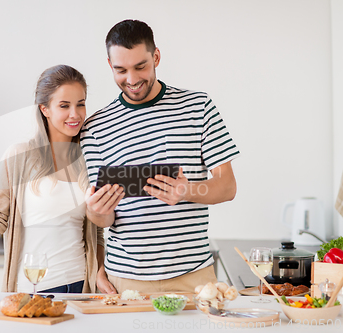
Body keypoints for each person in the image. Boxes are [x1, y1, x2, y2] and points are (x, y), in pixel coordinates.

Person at [82, 19, 240, 294]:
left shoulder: (198, 107)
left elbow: (227, 187)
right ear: (109, 65)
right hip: (125, 282)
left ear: (156, 56)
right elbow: (105, 220)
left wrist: (188, 190)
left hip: (193, 278)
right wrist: (97, 212)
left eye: (140, 66)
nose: (131, 80)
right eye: (120, 70)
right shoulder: (95, 128)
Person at [0, 65, 112, 300]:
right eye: (64, 106)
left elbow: (97, 232)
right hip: (33, 288)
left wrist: (99, 272)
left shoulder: (89, 160)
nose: (75, 114)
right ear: (45, 109)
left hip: (81, 288)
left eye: (80, 104)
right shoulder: (19, 156)